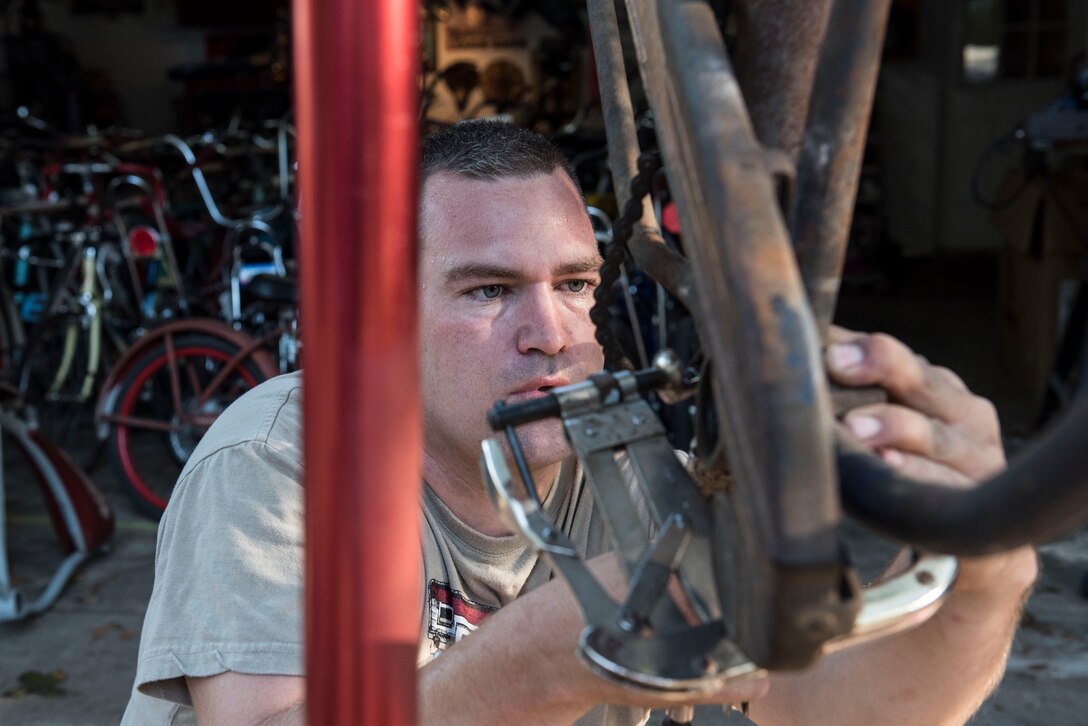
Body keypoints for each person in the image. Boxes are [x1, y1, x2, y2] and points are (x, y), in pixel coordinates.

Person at [121, 120, 1037, 725]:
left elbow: (827, 711)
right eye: (488, 291)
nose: (551, 336)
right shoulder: (281, 460)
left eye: (575, 285)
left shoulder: (623, 467)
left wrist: (984, 577)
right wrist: (530, 664)